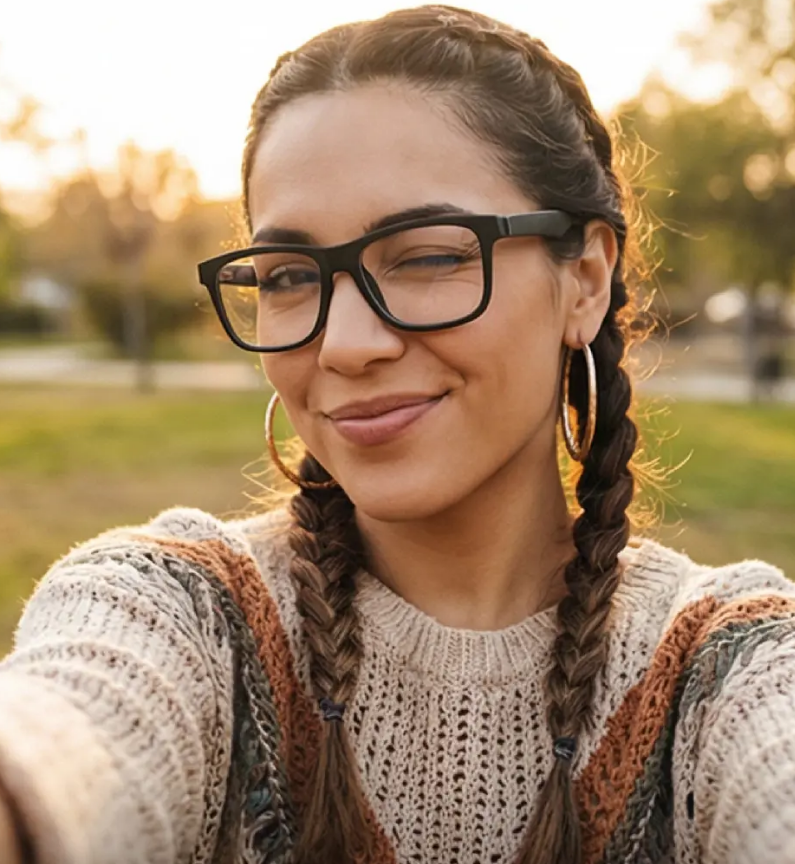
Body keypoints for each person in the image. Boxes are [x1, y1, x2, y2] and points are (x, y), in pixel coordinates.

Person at [0, 5, 794, 864]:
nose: (342, 345)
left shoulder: (729, 666)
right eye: (290, 276)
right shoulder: (184, 612)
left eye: (426, 256)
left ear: (586, 280)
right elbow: (70, 729)